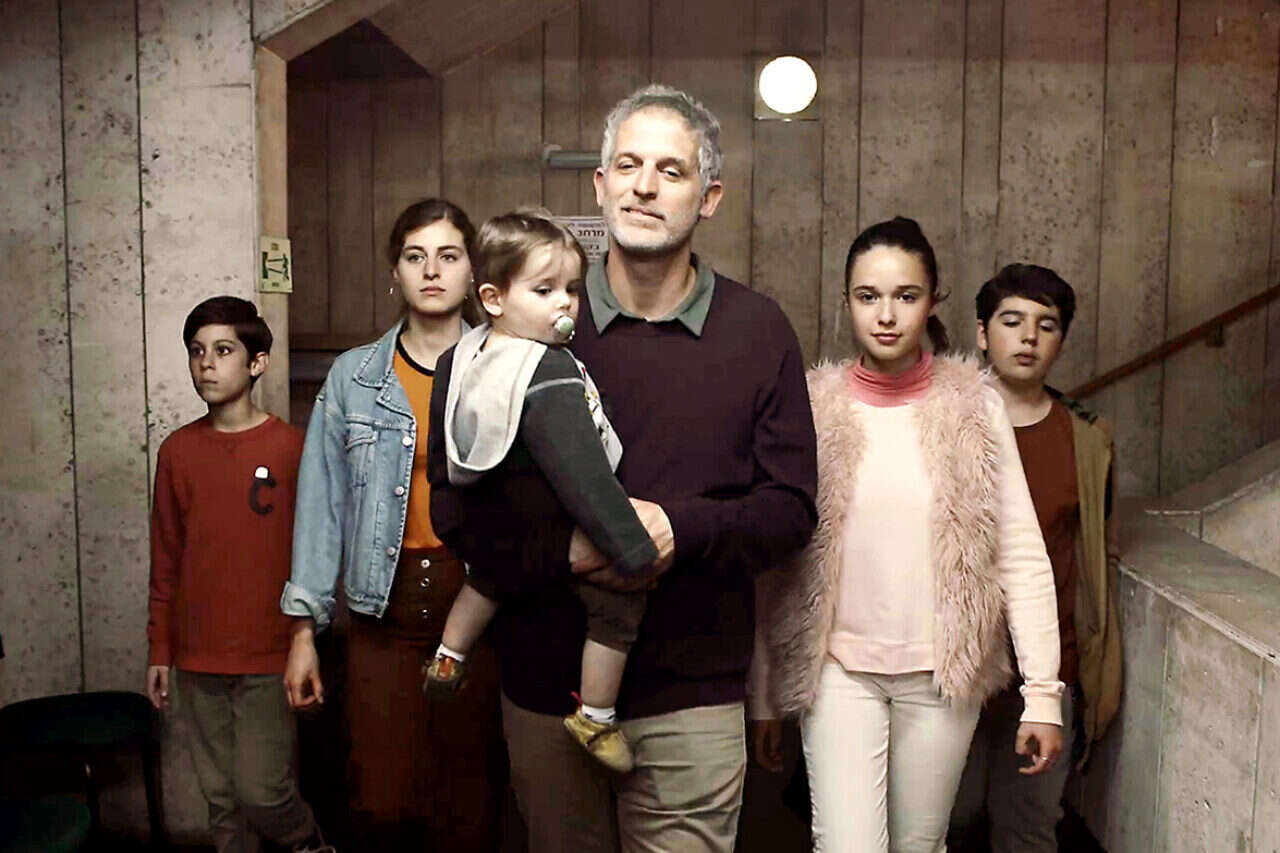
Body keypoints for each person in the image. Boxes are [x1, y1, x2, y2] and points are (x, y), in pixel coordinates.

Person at [428, 85, 818, 852]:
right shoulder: (504, 339)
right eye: (629, 166)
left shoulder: (758, 329)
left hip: (691, 698)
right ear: (600, 185)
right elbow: (454, 511)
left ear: (709, 198)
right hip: (545, 690)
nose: (644, 186)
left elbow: (791, 508)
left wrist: (681, 527)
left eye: (671, 171)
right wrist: (564, 551)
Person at [749, 217, 1065, 852]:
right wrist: (762, 693)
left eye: (906, 296)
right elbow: (775, 561)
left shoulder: (976, 407)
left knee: (919, 846)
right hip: (837, 671)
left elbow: (1021, 555)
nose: (887, 315)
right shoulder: (811, 407)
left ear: (933, 301)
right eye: (868, 296)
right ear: (846, 302)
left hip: (942, 673)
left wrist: (1043, 697)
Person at [280, 199, 506, 850]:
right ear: (395, 273)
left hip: (481, 607)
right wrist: (303, 630)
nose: (431, 270)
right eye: (415, 256)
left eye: (448, 255)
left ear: (473, 271)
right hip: (382, 610)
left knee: (470, 804)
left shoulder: (508, 366)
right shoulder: (354, 377)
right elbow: (320, 507)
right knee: (381, 800)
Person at [423, 209, 658, 774]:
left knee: (487, 577)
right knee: (618, 607)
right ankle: (596, 714)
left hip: (495, 534)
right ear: (493, 297)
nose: (565, 305)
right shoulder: (549, 371)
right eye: (545, 290)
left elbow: (443, 465)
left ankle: (449, 655)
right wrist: (634, 552)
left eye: (573, 290)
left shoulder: (460, 358)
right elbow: (585, 476)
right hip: (559, 535)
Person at [948, 264, 1124, 853]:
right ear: (981, 333)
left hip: (1047, 671)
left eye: (1046, 325)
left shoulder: (1087, 439)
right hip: (954, 664)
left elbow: (1096, 555)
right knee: (943, 819)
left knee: (1028, 829)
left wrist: (1086, 671)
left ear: (1060, 340)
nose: (1028, 337)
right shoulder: (946, 420)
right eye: (1011, 321)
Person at [146, 296, 331, 853]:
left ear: (257, 363)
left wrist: (304, 639)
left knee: (262, 792)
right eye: (196, 351)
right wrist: (160, 649)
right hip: (197, 656)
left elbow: (316, 552)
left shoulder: (293, 448)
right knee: (222, 801)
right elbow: (166, 558)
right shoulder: (177, 452)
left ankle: (310, 844)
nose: (206, 363)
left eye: (223, 350)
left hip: (268, 655)